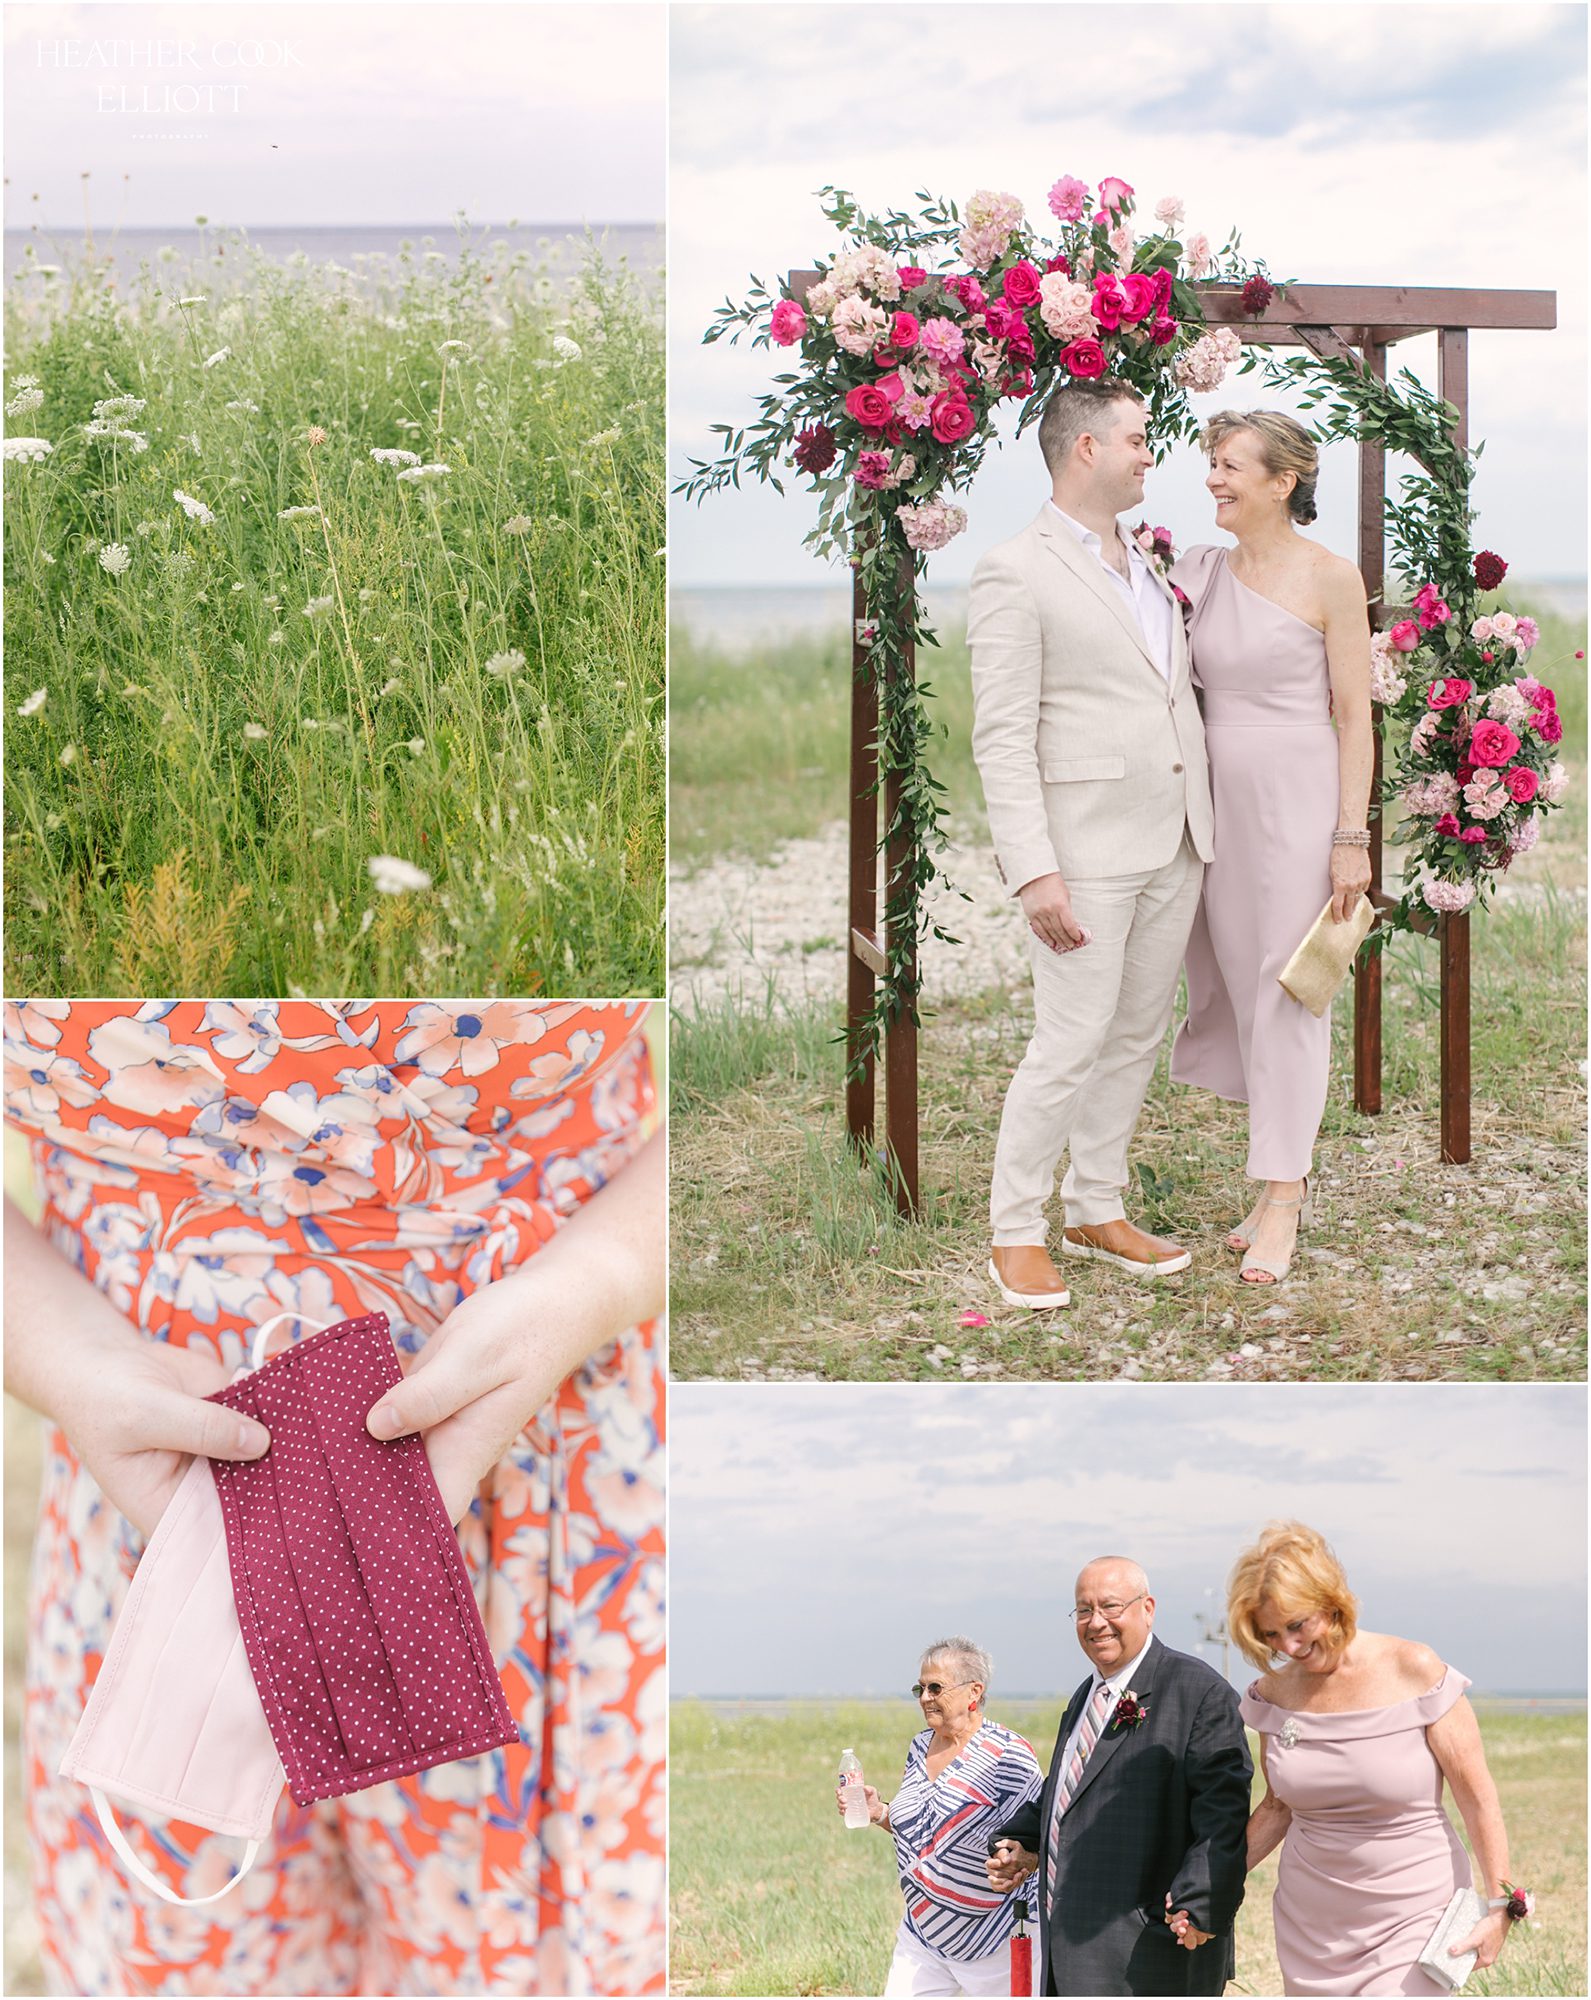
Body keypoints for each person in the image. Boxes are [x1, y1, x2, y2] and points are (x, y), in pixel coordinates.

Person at [3, 999, 665, 1998]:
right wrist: (54, 1350)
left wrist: (600, 1276)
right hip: (156, 1500)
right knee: (193, 1952)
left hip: (542, 1487)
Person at [968, 380, 1215, 1310]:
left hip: (1176, 838)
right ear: (1085, 450)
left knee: (1135, 1033)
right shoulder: (1013, 569)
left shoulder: (1142, 560)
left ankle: (1096, 1205)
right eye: (1138, 438)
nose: (1152, 453)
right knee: (1068, 1039)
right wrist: (1034, 871)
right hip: (1082, 854)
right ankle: (1015, 1230)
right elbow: (1001, 732)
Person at [1168, 413, 1373, 1284]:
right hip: (1215, 804)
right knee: (1232, 979)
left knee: (1289, 989)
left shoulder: (1331, 577)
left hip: (1298, 797)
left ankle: (1284, 1195)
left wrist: (1348, 837)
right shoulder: (1198, 571)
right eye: (1210, 464)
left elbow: (1356, 716)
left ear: (1280, 482)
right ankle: (1269, 1179)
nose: (1212, 479)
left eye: (1228, 467)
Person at [1221, 1521, 1527, 1995]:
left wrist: (1500, 1907)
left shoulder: (1415, 1668)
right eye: (1272, 1635)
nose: (1289, 1646)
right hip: (1311, 1927)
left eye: (1297, 1625)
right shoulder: (1273, 1694)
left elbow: (1476, 1795)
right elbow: (1278, 1807)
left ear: (1329, 1600)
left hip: (1415, 1913)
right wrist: (1209, 1884)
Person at [987, 1558, 1250, 1995]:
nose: (1096, 1623)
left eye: (1110, 1607)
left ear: (1147, 1608)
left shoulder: (1198, 1692)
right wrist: (1024, 1841)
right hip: (1069, 1950)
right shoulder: (1085, 1696)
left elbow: (1223, 1815)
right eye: (1083, 1610)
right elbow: (1068, 1793)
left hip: (1149, 1953)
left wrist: (1202, 1904)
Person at [839, 1638, 1043, 1996]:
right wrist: (879, 1812)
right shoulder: (920, 1746)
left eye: (936, 1688)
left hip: (994, 1940)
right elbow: (925, 1834)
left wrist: (1020, 1860)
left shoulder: (1008, 1754)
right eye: (920, 1688)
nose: (924, 1697)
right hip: (923, 1937)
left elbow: (1044, 1835)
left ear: (973, 1692)